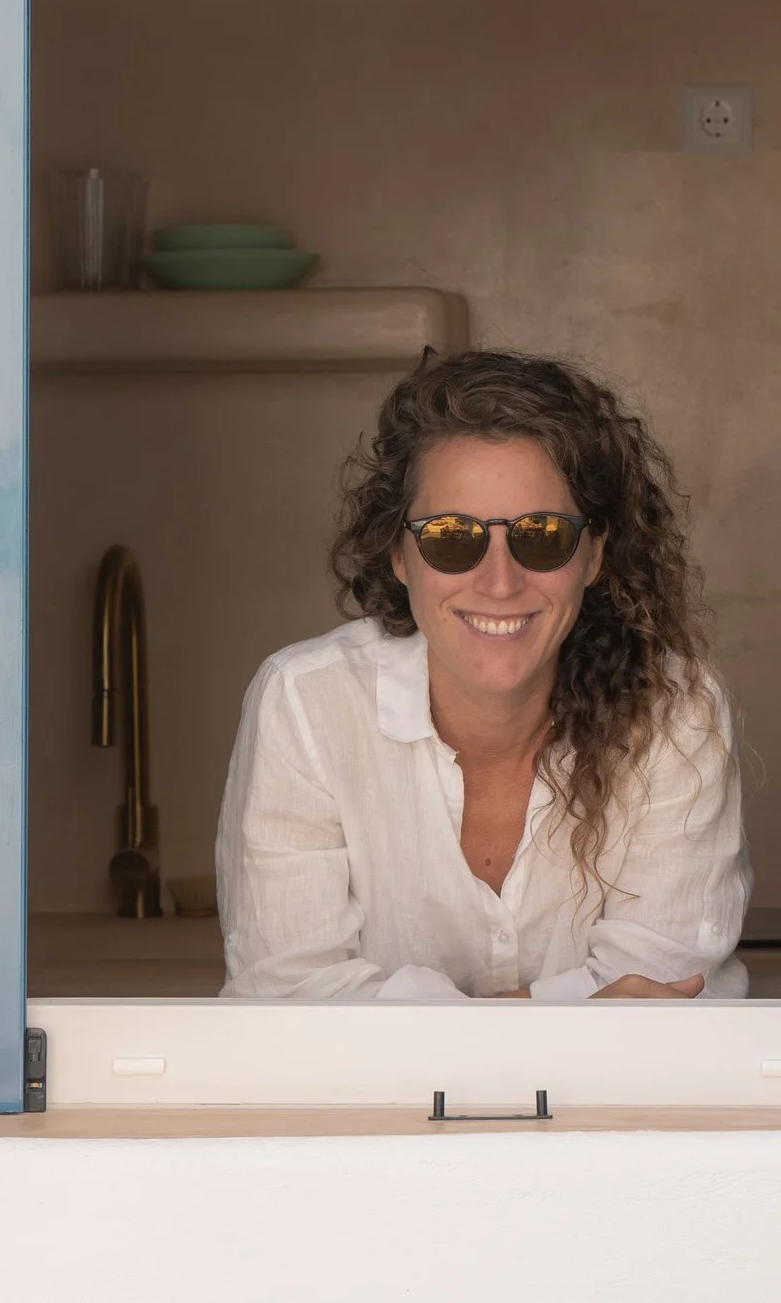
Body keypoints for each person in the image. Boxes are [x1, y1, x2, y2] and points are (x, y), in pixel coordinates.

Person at [216, 349, 750, 999]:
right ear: (399, 554)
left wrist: (429, 1023)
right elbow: (290, 998)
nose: (500, 582)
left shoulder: (674, 708)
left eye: (542, 534)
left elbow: (665, 987)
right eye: (451, 535)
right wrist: (572, 1012)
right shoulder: (306, 703)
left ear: (594, 554)